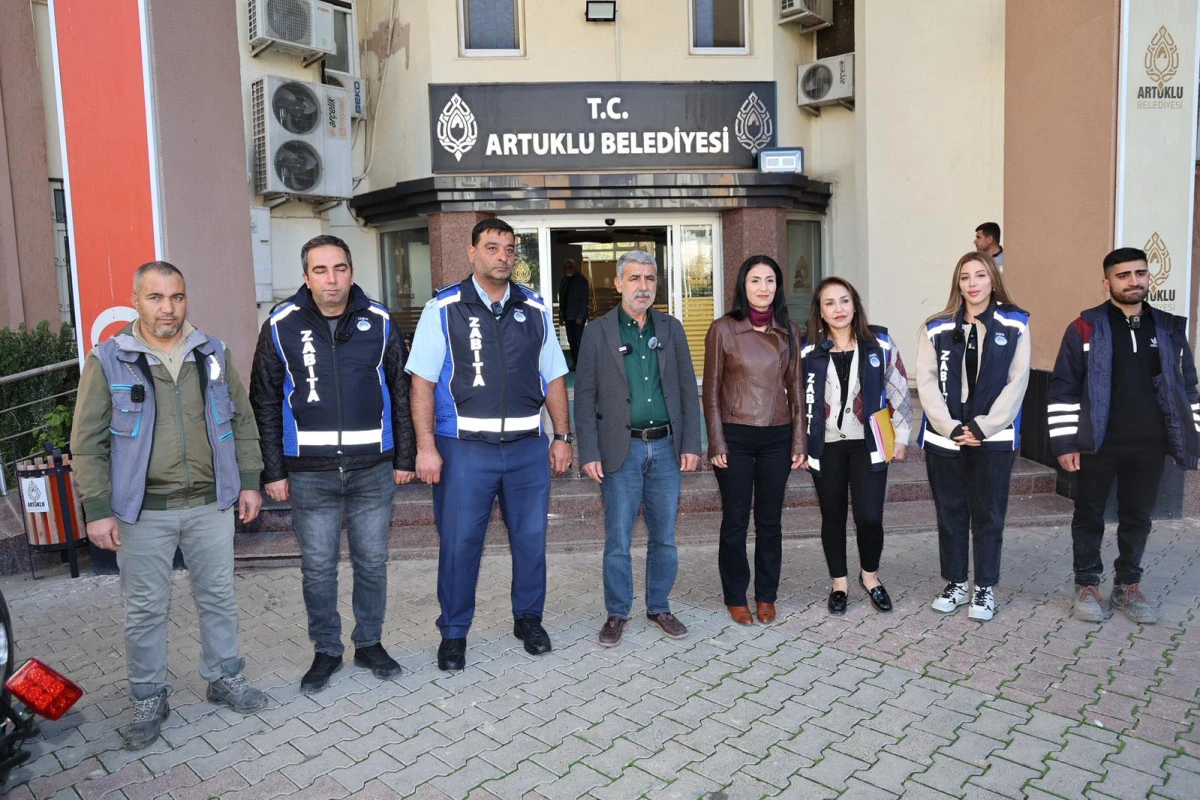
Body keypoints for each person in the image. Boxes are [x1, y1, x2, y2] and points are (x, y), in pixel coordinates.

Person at [71, 261, 267, 750]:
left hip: (209, 504)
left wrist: (248, 481)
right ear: (135, 301)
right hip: (142, 513)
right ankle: (147, 696)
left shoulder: (212, 352)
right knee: (144, 610)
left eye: (176, 297)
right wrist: (97, 508)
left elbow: (241, 420)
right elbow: (87, 441)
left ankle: (224, 678)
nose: (168, 308)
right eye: (156, 298)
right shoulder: (108, 359)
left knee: (219, 598)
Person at [250, 235, 416, 694]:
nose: (331, 278)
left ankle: (369, 643)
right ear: (305, 277)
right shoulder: (281, 324)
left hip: (372, 469)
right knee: (318, 567)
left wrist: (404, 456)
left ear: (352, 272)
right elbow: (263, 400)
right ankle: (326, 650)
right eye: (320, 270)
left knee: (372, 562)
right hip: (309, 474)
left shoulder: (379, 320)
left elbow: (401, 392)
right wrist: (273, 470)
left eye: (339, 268)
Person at [407, 218, 572, 671]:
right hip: (464, 449)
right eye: (493, 247)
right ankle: (454, 633)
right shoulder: (443, 308)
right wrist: (426, 446)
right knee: (460, 544)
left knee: (531, 539)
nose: (503, 256)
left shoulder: (535, 308)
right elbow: (420, 383)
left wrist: (561, 435)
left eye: (509, 249)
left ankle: (528, 619)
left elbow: (554, 376)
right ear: (472, 252)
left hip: (526, 449)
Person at [1049, 247, 1199, 624]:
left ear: (1149, 278)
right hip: (1097, 443)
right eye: (1124, 275)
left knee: (1138, 517)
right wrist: (1066, 442)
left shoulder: (1168, 328)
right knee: (1089, 515)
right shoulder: (1085, 327)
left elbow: (1188, 389)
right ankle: (1086, 584)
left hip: (1150, 444)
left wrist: (1189, 437)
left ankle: (1127, 585)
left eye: (1140, 273)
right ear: (1107, 282)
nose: (1133, 281)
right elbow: (1064, 387)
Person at [575, 250, 702, 646]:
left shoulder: (672, 328)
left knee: (664, 535)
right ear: (618, 284)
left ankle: (659, 606)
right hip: (620, 451)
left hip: (666, 448)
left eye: (649, 279)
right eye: (634, 279)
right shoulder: (597, 333)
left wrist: (691, 443)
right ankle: (617, 612)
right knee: (618, 539)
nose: (643, 286)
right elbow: (585, 397)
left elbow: (686, 388)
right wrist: (589, 452)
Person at [916, 252, 1030, 622]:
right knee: (950, 514)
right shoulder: (936, 327)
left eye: (980, 275)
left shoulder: (1015, 323)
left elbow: (1018, 381)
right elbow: (927, 380)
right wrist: (949, 426)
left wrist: (983, 427)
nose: (973, 283)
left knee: (988, 514)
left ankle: (984, 588)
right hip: (945, 437)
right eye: (965, 277)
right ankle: (955, 583)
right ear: (958, 283)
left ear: (993, 280)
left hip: (992, 438)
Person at [703, 255, 806, 626]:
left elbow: (796, 389)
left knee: (770, 521)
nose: (763, 288)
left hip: (778, 436)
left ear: (778, 287)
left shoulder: (790, 330)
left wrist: (799, 441)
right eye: (755, 281)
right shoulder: (723, 329)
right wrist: (717, 442)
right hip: (736, 435)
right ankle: (735, 596)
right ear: (743, 287)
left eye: (770, 281)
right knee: (734, 519)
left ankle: (766, 595)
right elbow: (711, 390)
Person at [801, 278, 912, 616]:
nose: (839, 309)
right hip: (825, 444)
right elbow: (796, 399)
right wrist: (800, 443)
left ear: (855, 304)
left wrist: (903, 435)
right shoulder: (808, 349)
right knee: (832, 516)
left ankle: (871, 578)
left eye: (844, 301)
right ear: (820, 312)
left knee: (869, 515)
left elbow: (899, 387)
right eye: (830, 303)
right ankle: (839, 584)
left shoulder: (880, 342)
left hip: (871, 442)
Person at [558, 258, 591, 370]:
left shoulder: (581, 280)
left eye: (570, 267)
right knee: (571, 341)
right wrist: (561, 315)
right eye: (566, 267)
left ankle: (583, 365)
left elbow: (584, 299)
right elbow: (562, 299)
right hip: (568, 317)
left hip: (578, 317)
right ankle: (576, 363)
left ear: (575, 267)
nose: (568, 269)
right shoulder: (564, 280)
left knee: (580, 341)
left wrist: (580, 316)